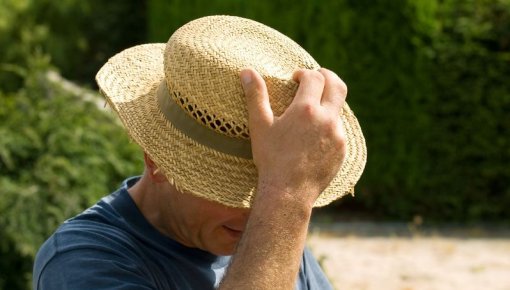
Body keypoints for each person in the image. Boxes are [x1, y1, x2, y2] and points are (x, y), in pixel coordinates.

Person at [33, 15, 366, 289]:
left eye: (260, 187)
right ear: (158, 160)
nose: (255, 209)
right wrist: (284, 193)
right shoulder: (81, 261)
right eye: (234, 191)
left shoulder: (271, 220)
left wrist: (283, 197)